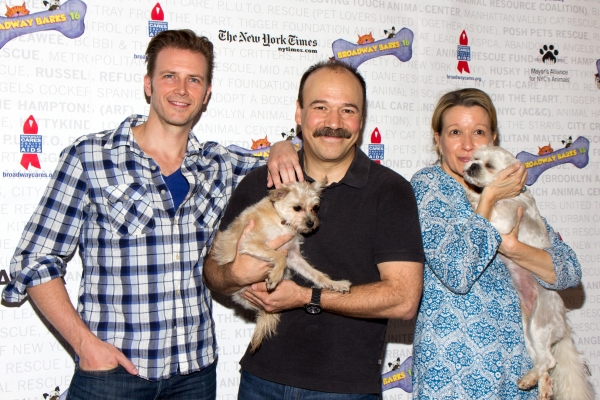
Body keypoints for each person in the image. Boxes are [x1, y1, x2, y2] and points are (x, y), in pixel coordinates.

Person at [1, 29, 301, 400]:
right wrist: (85, 345)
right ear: (149, 85)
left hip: (195, 373)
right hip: (112, 374)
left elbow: (315, 152)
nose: (181, 89)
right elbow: (34, 259)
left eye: (194, 79)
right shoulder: (90, 157)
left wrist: (283, 145)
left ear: (206, 94)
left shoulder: (219, 164)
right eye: (169, 76)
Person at [203, 60, 425, 399]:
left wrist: (306, 297)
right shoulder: (262, 182)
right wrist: (235, 274)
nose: (334, 123)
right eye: (320, 107)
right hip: (260, 380)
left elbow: (404, 300)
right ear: (299, 113)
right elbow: (212, 273)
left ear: (362, 120)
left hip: (344, 389)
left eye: (347, 110)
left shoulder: (390, 191)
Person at [410, 88, 581, 399]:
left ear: (493, 138)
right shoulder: (429, 187)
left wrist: (515, 248)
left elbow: (569, 271)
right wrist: (489, 199)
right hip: (455, 370)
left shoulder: (513, 193)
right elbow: (457, 272)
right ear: (438, 139)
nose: (467, 144)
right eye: (454, 132)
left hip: (518, 368)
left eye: (478, 132)